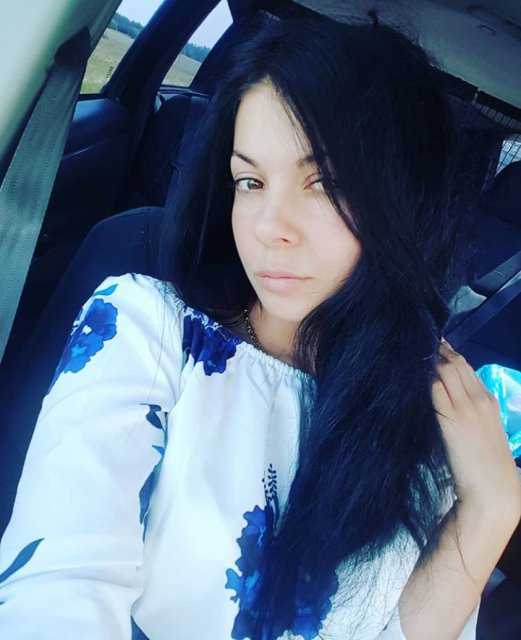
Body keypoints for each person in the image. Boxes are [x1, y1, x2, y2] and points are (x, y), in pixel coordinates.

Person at [0, 13, 519, 640]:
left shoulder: (431, 439)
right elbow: (56, 591)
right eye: (250, 181)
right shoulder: (145, 331)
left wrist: (491, 511)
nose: (269, 226)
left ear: (404, 203)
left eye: (324, 184)